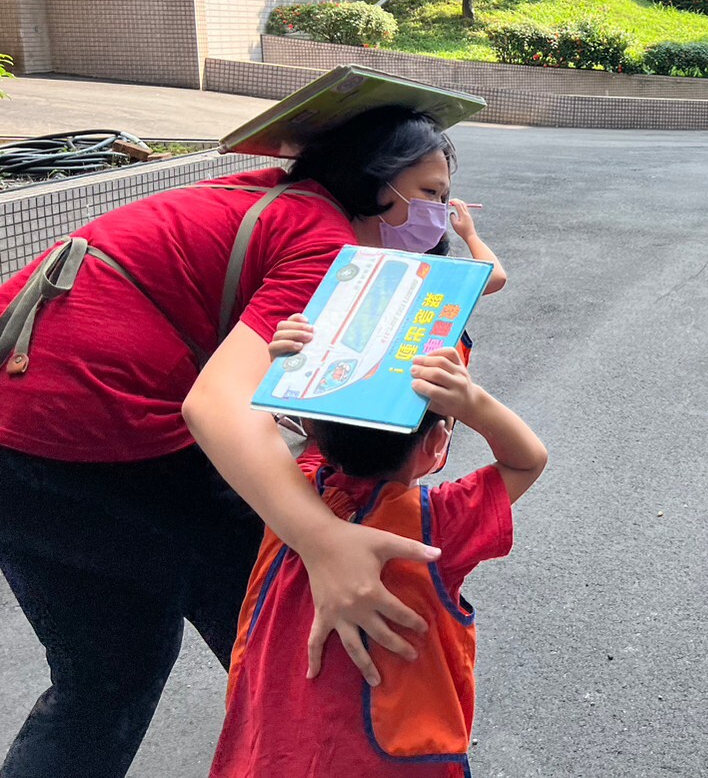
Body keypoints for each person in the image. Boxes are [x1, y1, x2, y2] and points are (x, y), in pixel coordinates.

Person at [0, 104, 481, 777]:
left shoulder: (269, 196)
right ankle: (357, 751)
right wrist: (324, 540)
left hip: (19, 441)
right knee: (290, 610)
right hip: (101, 428)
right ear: (377, 183)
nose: (440, 213)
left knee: (106, 675)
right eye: (429, 194)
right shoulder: (321, 238)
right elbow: (216, 406)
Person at [210, 336, 547, 776]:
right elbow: (528, 460)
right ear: (437, 442)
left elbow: (253, 427)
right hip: (390, 760)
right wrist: (472, 402)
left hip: (275, 753)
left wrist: (286, 369)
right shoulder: (434, 525)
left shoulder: (291, 493)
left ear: (313, 430)